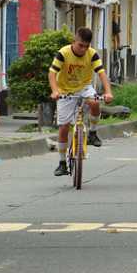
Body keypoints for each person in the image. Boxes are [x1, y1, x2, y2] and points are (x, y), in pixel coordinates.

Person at [49, 27, 113, 176]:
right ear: (74, 42)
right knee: (64, 127)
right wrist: (55, 91)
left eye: (86, 46)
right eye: (80, 45)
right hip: (65, 90)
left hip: (84, 87)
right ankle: (62, 163)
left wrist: (108, 92)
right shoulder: (63, 53)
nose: (83, 49)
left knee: (95, 103)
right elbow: (52, 73)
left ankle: (92, 132)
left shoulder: (92, 54)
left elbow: (102, 73)